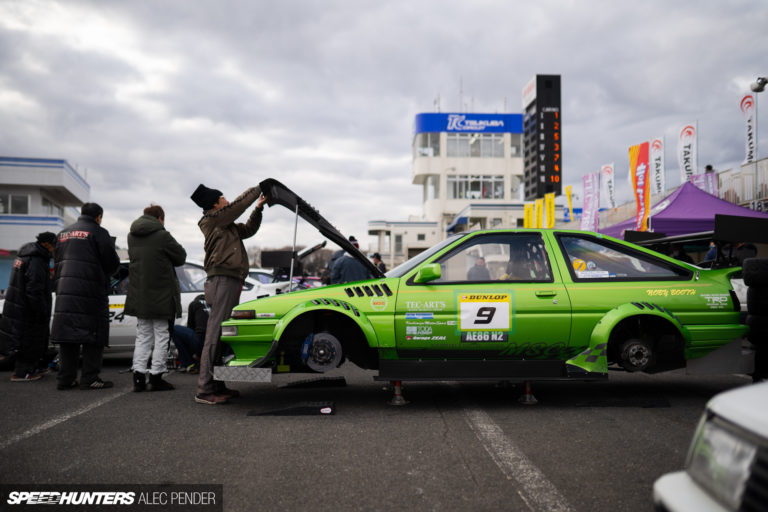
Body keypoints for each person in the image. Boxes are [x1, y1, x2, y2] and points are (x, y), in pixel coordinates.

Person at [190, 184, 267, 405]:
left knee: (223, 334)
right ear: (215, 204)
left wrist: (259, 208)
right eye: (223, 198)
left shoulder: (227, 224)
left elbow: (249, 229)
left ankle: (218, 383)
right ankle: (204, 389)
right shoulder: (213, 220)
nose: (227, 201)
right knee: (214, 334)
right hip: (222, 280)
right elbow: (239, 205)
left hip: (230, 280)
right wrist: (258, 189)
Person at [51, 203, 120, 390]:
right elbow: (112, 263)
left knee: (68, 335)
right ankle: (90, 378)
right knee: (93, 334)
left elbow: (57, 263)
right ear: (99, 216)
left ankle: (65, 379)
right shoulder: (99, 233)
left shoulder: (62, 234)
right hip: (91, 291)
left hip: (65, 291)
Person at [125, 205, 186, 392]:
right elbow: (181, 256)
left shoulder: (131, 236)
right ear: (160, 218)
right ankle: (156, 377)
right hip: (161, 295)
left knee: (143, 336)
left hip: (140, 295)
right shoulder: (162, 236)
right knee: (161, 336)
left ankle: (138, 378)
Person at [0, 232, 56, 381]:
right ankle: (23, 372)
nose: (54, 250)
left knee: (29, 339)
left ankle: (33, 367)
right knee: (30, 340)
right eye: (54, 246)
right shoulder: (36, 260)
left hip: (19, 305)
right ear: (47, 245)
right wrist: (41, 309)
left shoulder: (25, 256)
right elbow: (34, 288)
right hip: (29, 309)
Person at [171, 293, 209, 373]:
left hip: (201, 344)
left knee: (174, 329)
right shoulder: (216, 304)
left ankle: (188, 363)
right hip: (216, 344)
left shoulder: (194, 304)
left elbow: (190, 327)